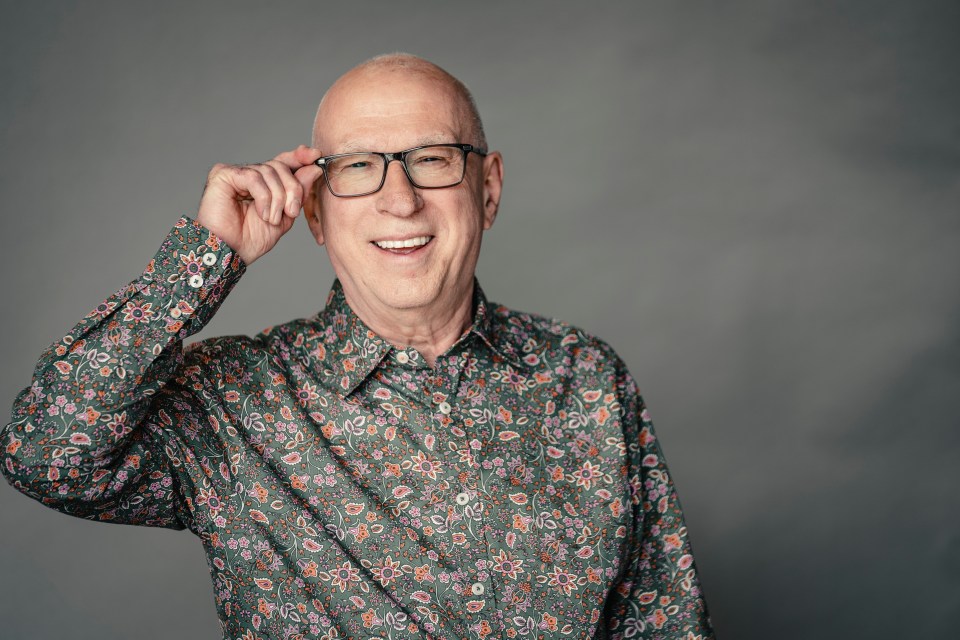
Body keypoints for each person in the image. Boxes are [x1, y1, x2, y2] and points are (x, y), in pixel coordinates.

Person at [2, 54, 713, 639]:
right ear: (314, 208)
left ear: (487, 189)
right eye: (359, 167)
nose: (399, 200)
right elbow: (43, 455)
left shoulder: (584, 376)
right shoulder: (229, 401)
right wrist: (207, 258)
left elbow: (665, 621)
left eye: (433, 159)